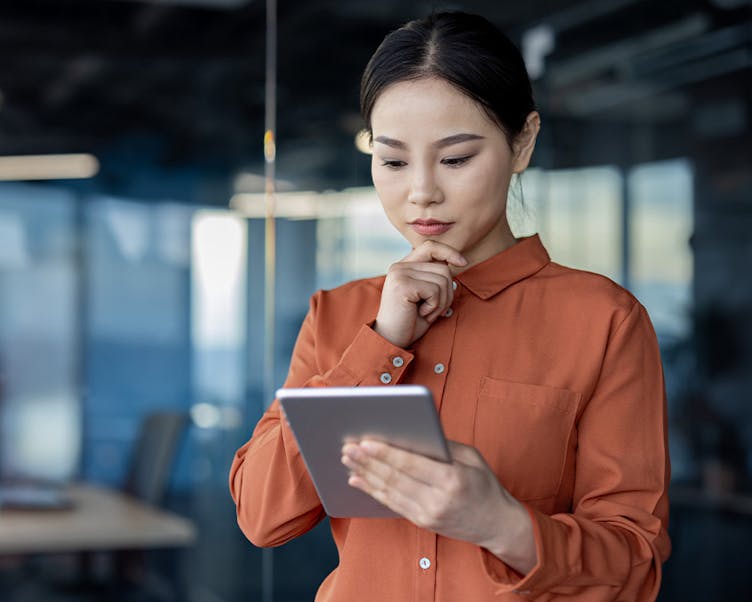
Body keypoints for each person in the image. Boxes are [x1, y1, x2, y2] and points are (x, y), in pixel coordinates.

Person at [230, 11, 671, 601]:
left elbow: (635, 565)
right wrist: (381, 344)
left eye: (455, 158)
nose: (421, 191)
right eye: (392, 160)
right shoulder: (338, 316)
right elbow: (262, 516)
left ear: (523, 142)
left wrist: (502, 524)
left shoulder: (604, 321)